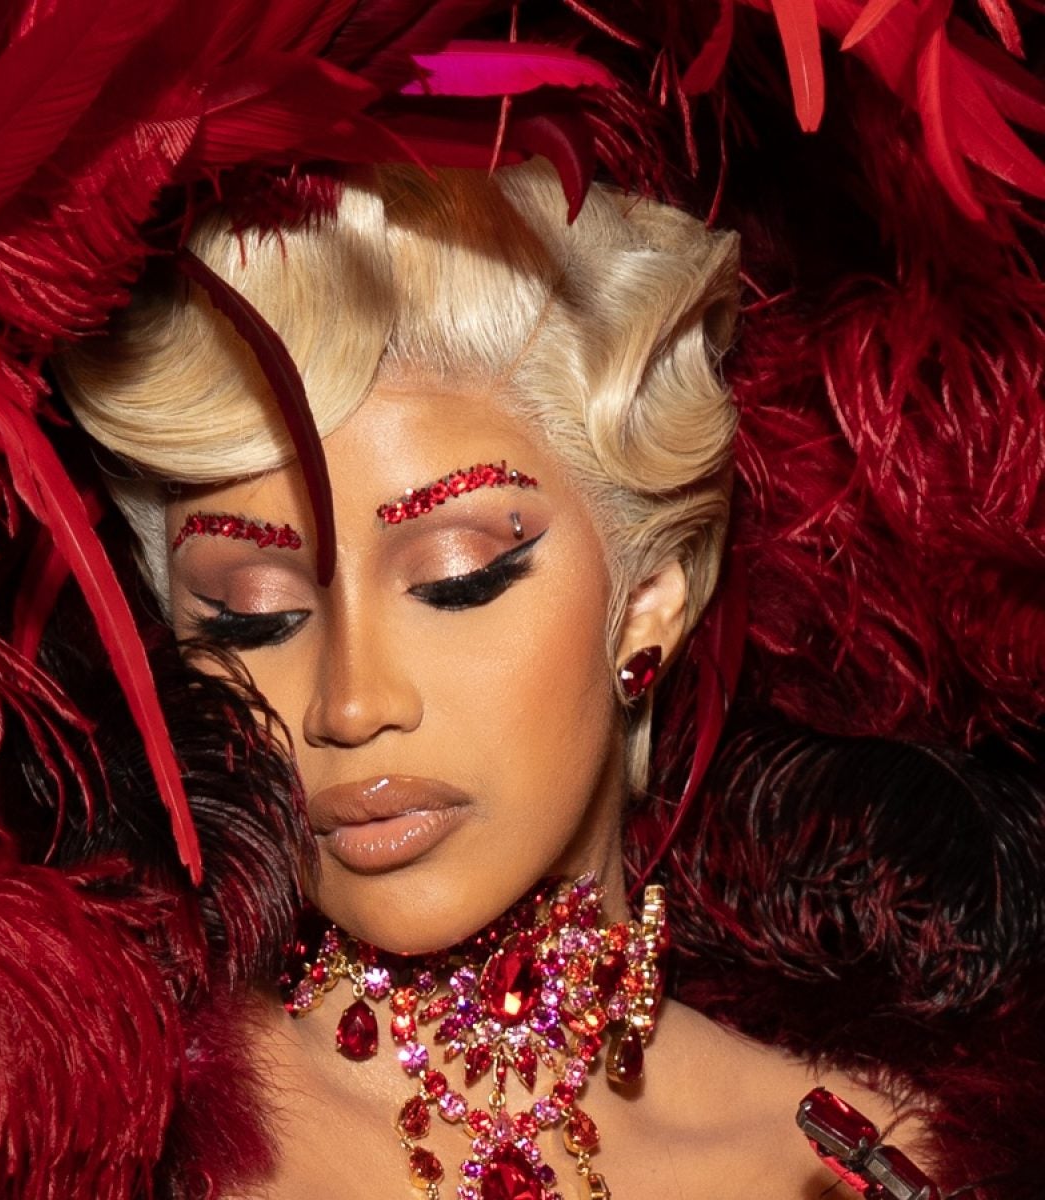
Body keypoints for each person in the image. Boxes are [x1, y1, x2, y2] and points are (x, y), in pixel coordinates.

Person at [56, 160, 941, 1200]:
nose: (351, 705)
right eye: (255, 615)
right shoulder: (90, 1135)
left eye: (456, 580)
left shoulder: (862, 1165)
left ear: (648, 594)